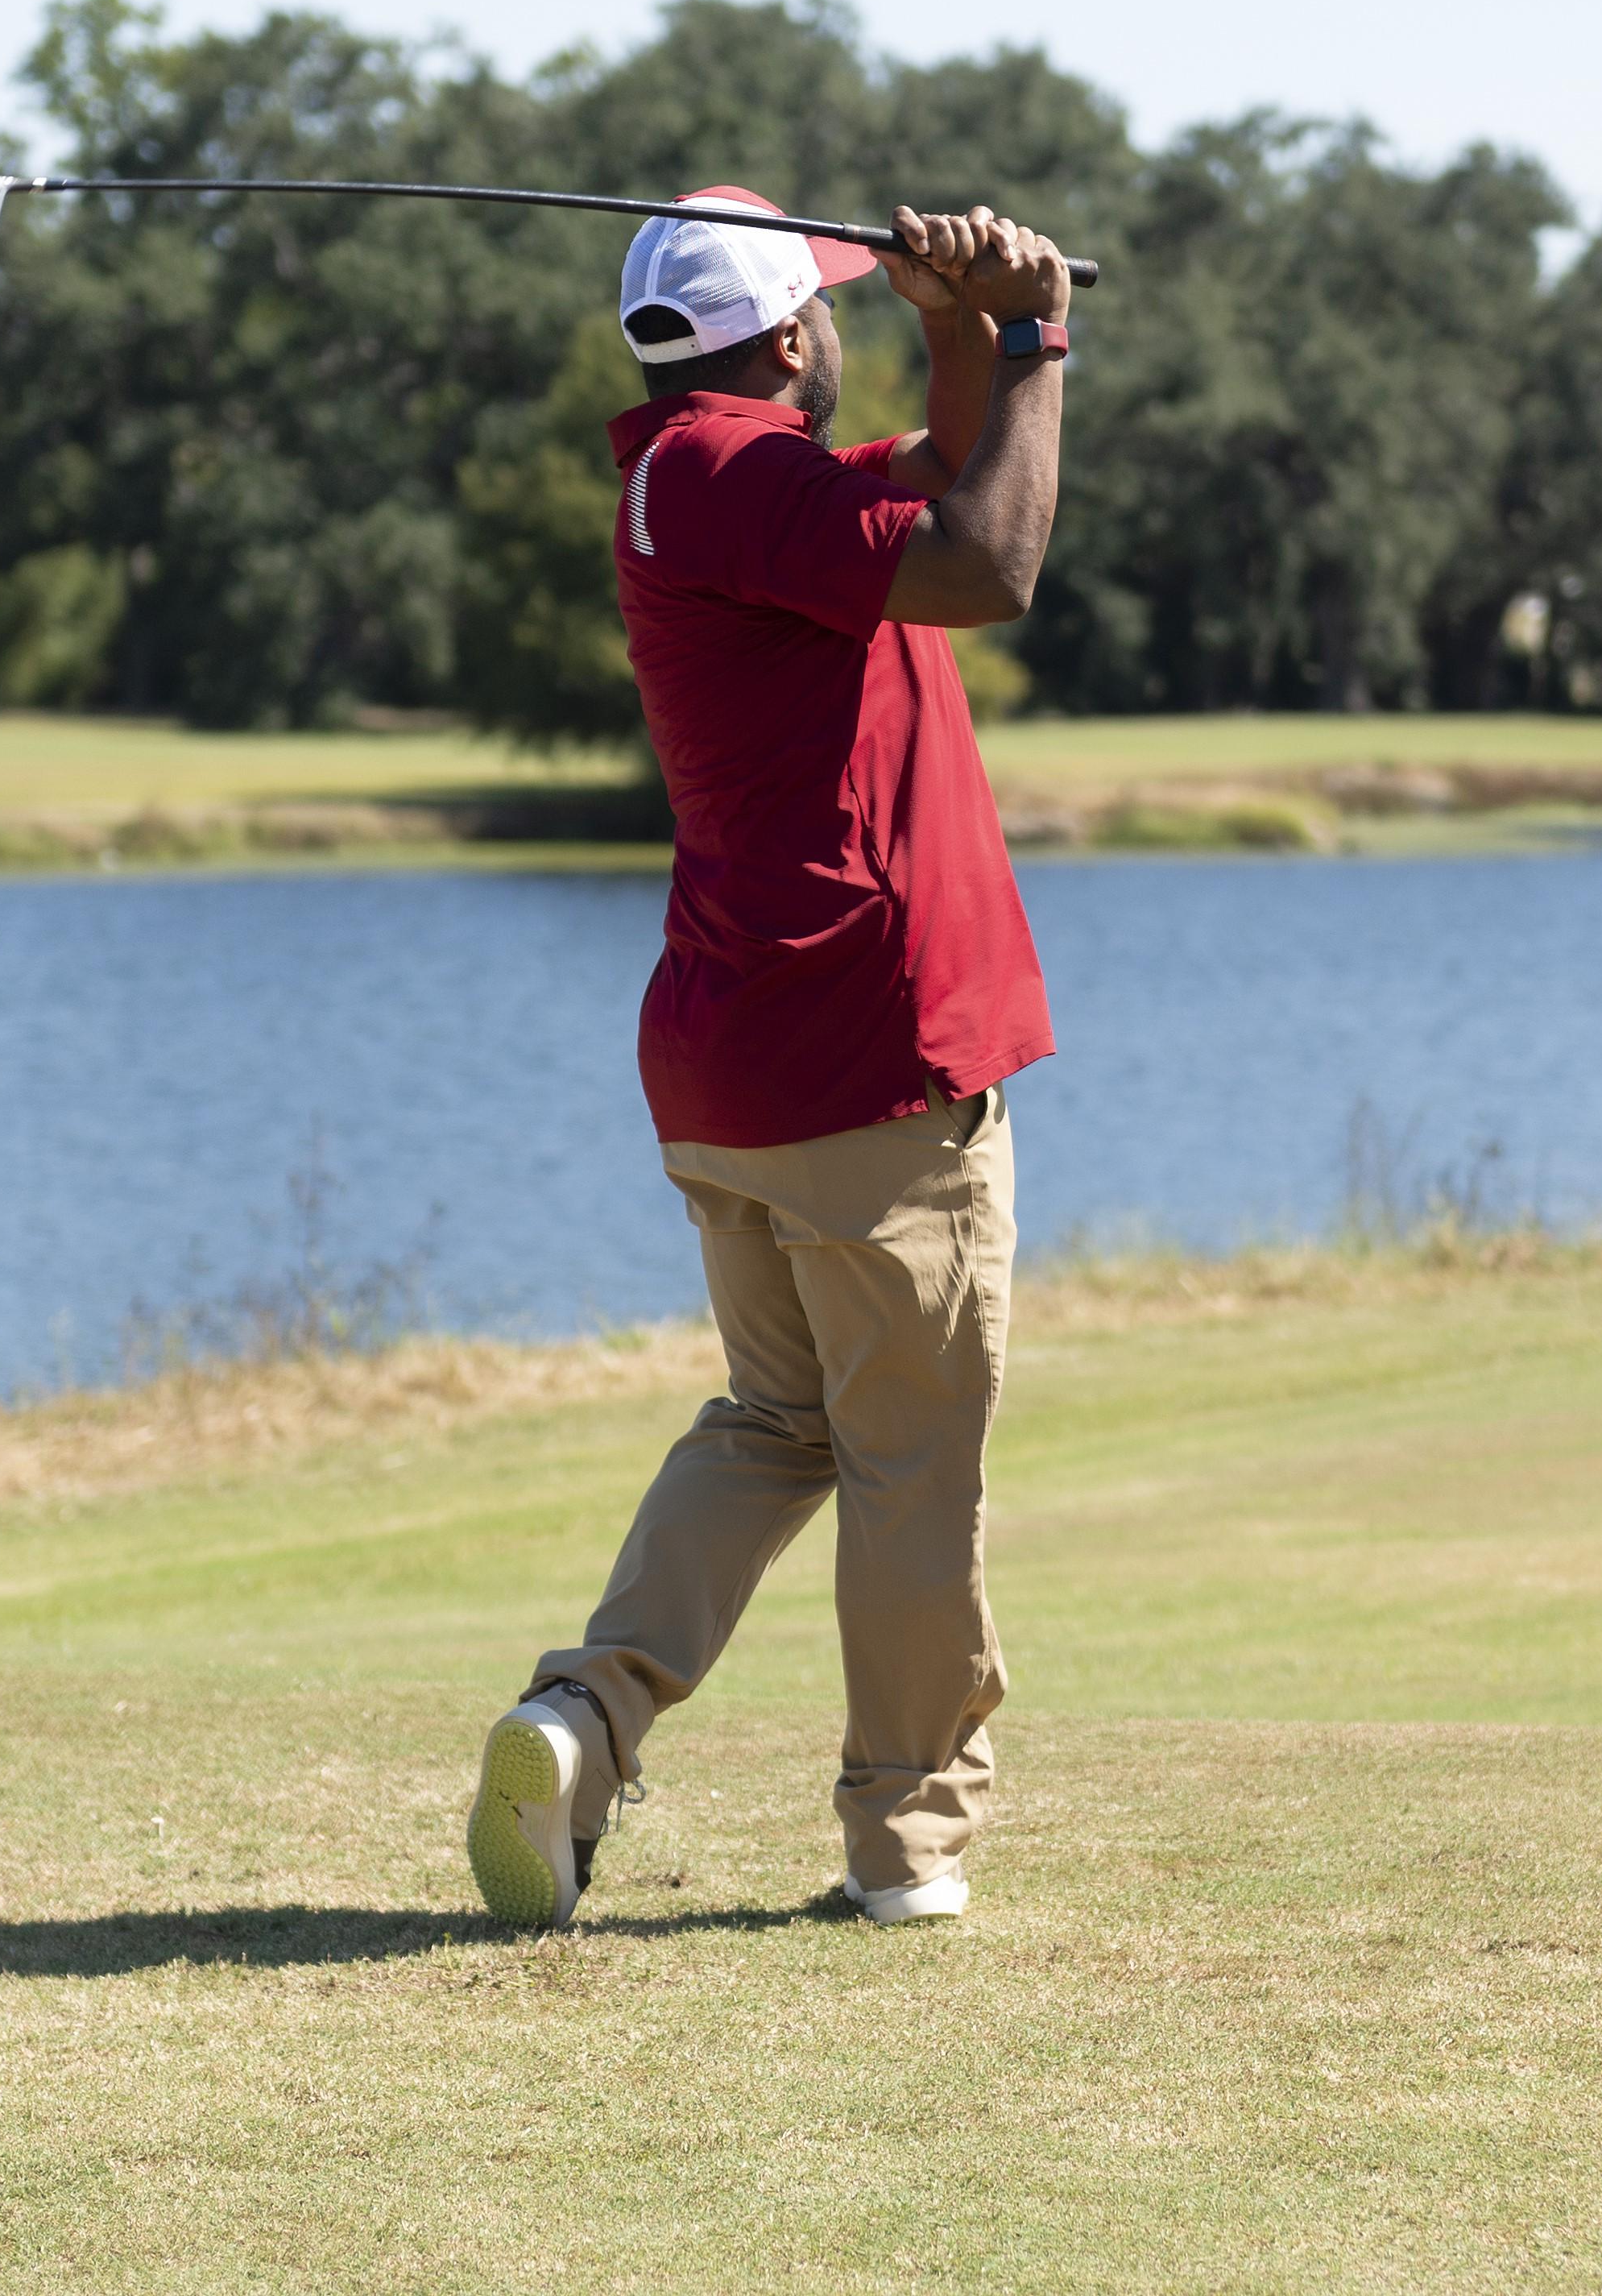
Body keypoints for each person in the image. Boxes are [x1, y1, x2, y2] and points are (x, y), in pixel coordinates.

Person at [466, 187, 1077, 1931]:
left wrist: (961, 322)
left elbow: (948, 494)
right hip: (868, 1060)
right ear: (797, 335)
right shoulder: (747, 482)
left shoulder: (708, 476)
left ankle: (583, 1717)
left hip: (744, 1069)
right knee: (907, 1457)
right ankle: (908, 1845)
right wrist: (1037, 342)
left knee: (783, 1419)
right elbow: (994, 560)